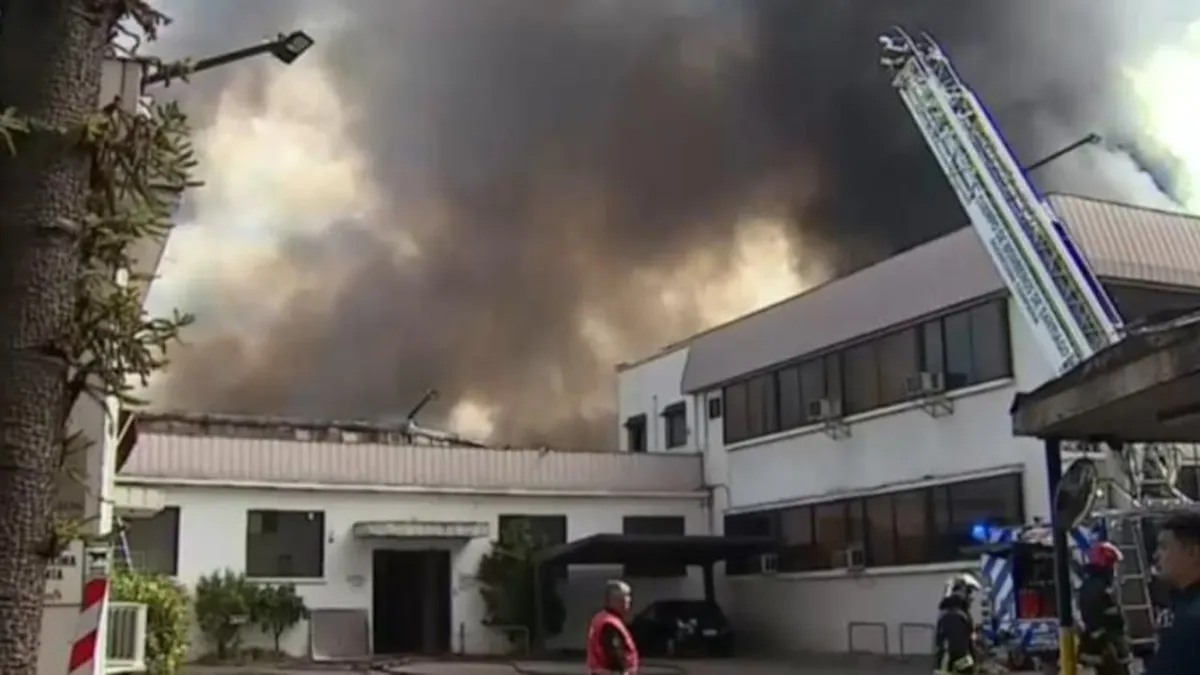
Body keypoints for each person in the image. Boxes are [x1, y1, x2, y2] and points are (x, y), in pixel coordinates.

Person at [1146, 510, 1200, 675]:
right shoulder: (1181, 603)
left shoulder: (1193, 619)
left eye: (1164, 547)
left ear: (1192, 553)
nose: (1156, 555)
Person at [1078, 541, 1132, 675]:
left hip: (1097, 641)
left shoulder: (1090, 584)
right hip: (1106, 643)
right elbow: (1108, 617)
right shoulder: (1101, 587)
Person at [587, 579, 639, 675]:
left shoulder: (602, 618)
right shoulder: (609, 623)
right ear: (615, 599)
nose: (629, 600)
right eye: (626, 595)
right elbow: (614, 653)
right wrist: (623, 671)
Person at [935, 573, 982, 675]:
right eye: (969, 592)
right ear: (961, 592)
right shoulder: (955, 615)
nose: (971, 597)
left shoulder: (951, 612)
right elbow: (957, 650)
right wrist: (970, 668)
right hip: (951, 669)